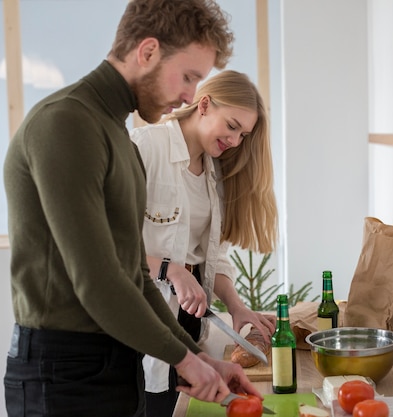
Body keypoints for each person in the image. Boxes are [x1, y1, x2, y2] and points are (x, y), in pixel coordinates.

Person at [2, 1, 263, 416]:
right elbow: (97, 279)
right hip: (65, 372)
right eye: (189, 77)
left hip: (121, 362)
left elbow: (136, 276)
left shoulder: (118, 136)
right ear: (147, 52)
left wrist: (195, 357)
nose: (191, 96)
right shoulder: (67, 123)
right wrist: (186, 359)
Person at [131, 69, 278, 417]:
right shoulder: (146, 146)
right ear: (205, 104)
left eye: (243, 134)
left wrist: (237, 306)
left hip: (189, 323)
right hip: (142, 322)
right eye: (232, 126)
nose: (236, 141)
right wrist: (170, 270)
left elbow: (211, 256)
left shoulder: (215, 171)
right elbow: (108, 246)